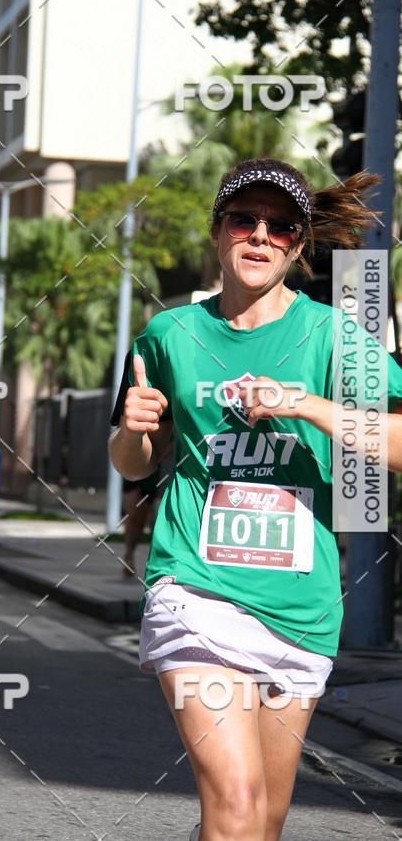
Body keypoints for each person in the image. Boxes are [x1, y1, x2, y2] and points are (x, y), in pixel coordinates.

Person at [109, 158, 402, 841]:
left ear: (299, 246)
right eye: (245, 219)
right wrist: (132, 429)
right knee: (236, 803)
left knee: (262, 822)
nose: (260, 235)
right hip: (197, 592)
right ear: (218, 233)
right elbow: (131, 464)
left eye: (280, 226)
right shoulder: (170, 335)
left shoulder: (332, 337)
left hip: (301, 607)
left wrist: (307, 405)